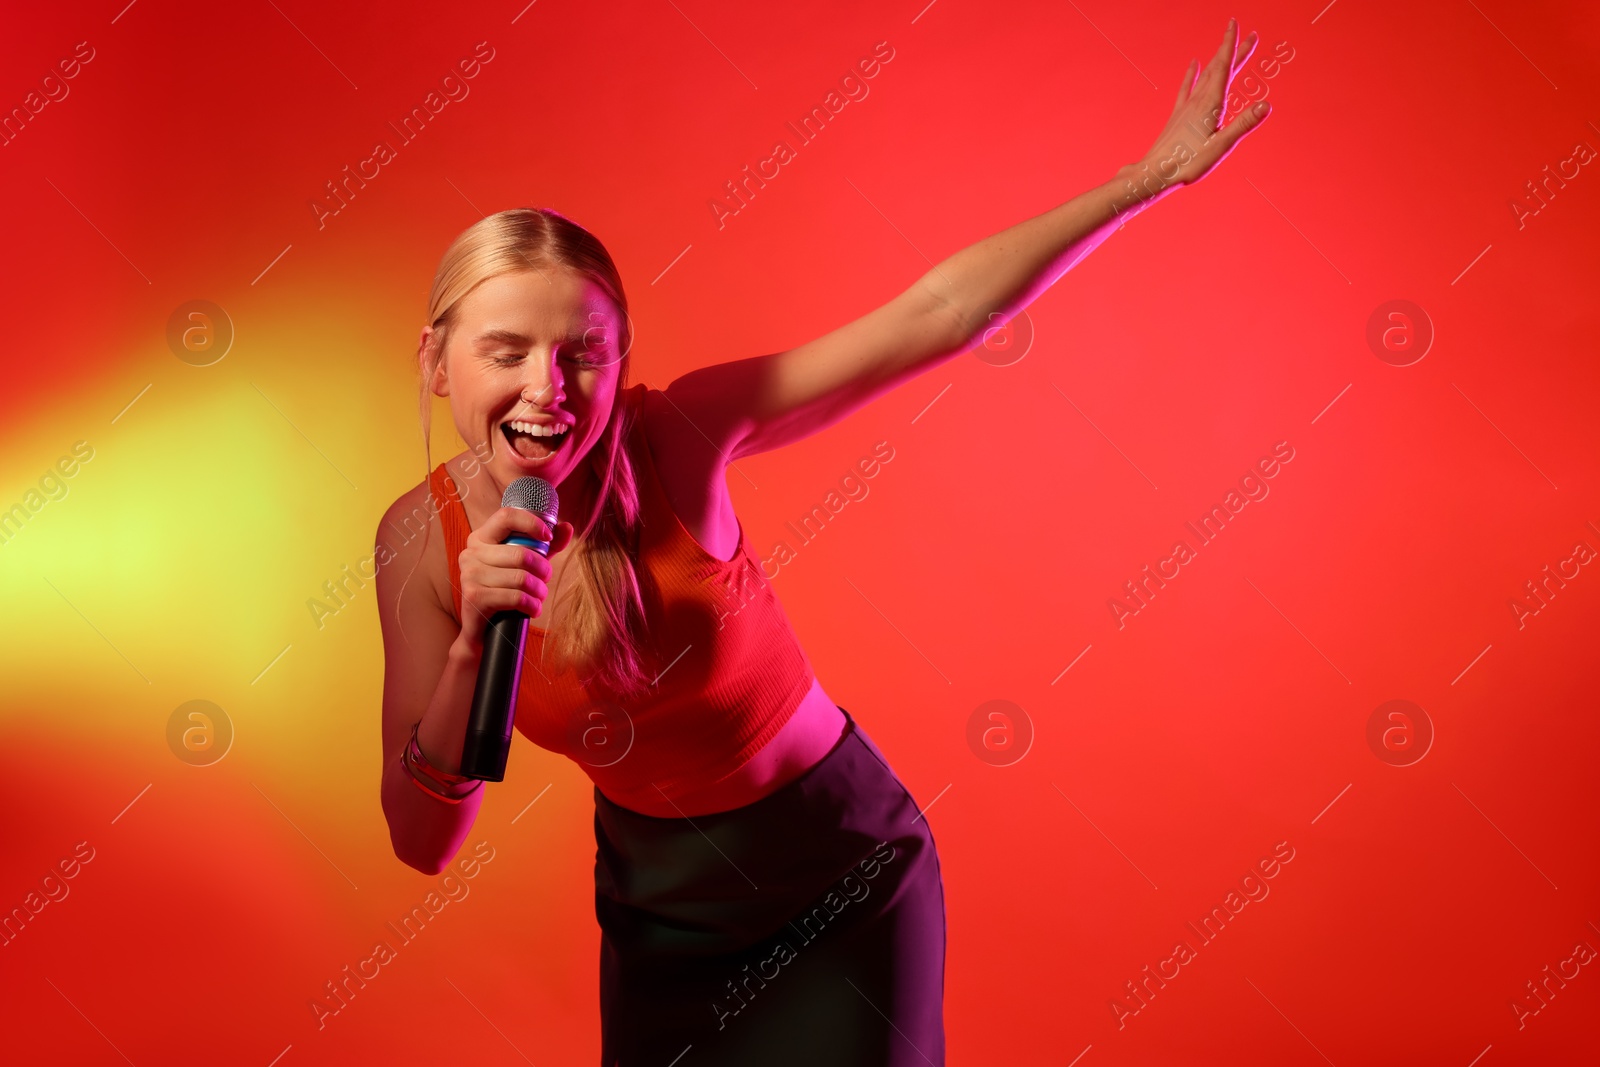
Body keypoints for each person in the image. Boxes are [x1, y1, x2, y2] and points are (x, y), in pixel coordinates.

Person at [377, 19, 1269, 1065]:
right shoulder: (418, 543)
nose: (546, 387)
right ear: (438, 363)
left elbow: (932, 313)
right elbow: (421, 843)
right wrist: (474, 646)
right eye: (505, 350)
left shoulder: (677, 436)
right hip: (656, 904)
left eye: (584, 354)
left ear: (620, 365)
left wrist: (1142, 179)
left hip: (835, 870)